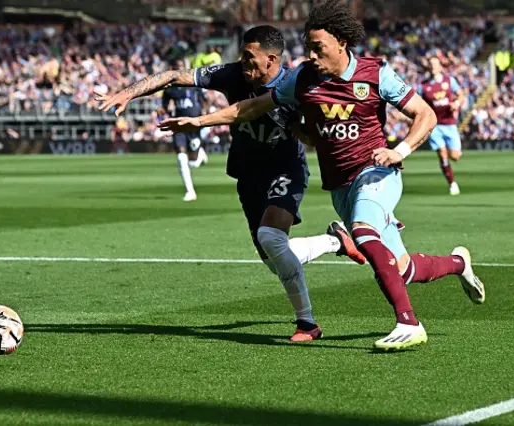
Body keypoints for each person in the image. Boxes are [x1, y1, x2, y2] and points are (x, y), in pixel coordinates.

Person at [158, 0, 485, 351]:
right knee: (400, 269)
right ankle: (458, 262)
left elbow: (425, 114)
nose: (311, 55)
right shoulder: (302, 79)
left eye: (319, 48)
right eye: (308, 47)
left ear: (341, 43)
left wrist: (398, 151)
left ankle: (409, 323)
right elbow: (253, 106)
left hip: (377, 172)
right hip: (340, 185)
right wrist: (199, 121)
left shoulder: (376, 74)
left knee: (362, 230)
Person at [97, 25, 367, 342]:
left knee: (271, 236)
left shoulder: (296, 84)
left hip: (286, 169)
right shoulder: (233, 74)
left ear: (272, 59)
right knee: (273, 259)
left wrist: (305, 132)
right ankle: (335, 240)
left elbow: (317, 136)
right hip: (247, 171)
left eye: (250, 59)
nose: (244, 65)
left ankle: (307, 323)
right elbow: (173, 76)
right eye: (242, 57)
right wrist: (128, 92)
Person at [160, 59, 209, 201]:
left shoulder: (194, 83)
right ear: (174, 68)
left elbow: (204, 99)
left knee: (193, 161)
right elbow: (164, 104)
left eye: (182, 66)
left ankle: (200, 153)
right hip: (179, 124)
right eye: (178, 67)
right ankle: (190, 191)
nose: (181, 69)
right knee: (181, 157)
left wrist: (206, 113)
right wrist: (161, 109)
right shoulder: (170, 88)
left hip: (194, 123)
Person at [418, 56, 466, 195]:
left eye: (435, 64)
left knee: (454, 156)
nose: (433, 67)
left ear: (440, 66)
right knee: (442, 153)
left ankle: (456, 155)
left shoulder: (449, 80)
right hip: (435, 125)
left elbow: (461, 95)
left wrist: (456, 104)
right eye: (431, 64)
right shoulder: (423, 86)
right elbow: (419, 104)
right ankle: (452, 183)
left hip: (450, 124)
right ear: (428, 67)